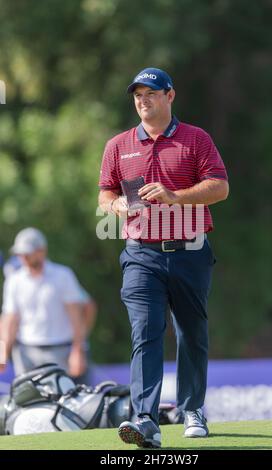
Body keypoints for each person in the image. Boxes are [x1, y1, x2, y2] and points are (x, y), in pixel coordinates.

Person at [98, 67, 229, 448]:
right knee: (145, 332)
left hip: (189, 251)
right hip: (140, 255)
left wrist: (175, 196)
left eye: (151, 93)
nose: (143, 100)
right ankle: (145, 419)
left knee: (191, 332)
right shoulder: (118, 145)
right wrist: (116, 203)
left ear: (170, 96)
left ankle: (192, 409)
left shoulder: (195, 139)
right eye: (138, 94)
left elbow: (220, 188)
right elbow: (104, 195)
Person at [0, 227, 90, 381]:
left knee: (63, 400)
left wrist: (78, 350)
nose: (24, 258)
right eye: (20, 254)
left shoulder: (62, 276)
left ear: (41, 251)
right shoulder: (14, 280)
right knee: (27, 402)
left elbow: (77, 316)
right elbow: (9, 320)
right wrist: (3, 353)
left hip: (60, 351)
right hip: (25, 352)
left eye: (28, 253)